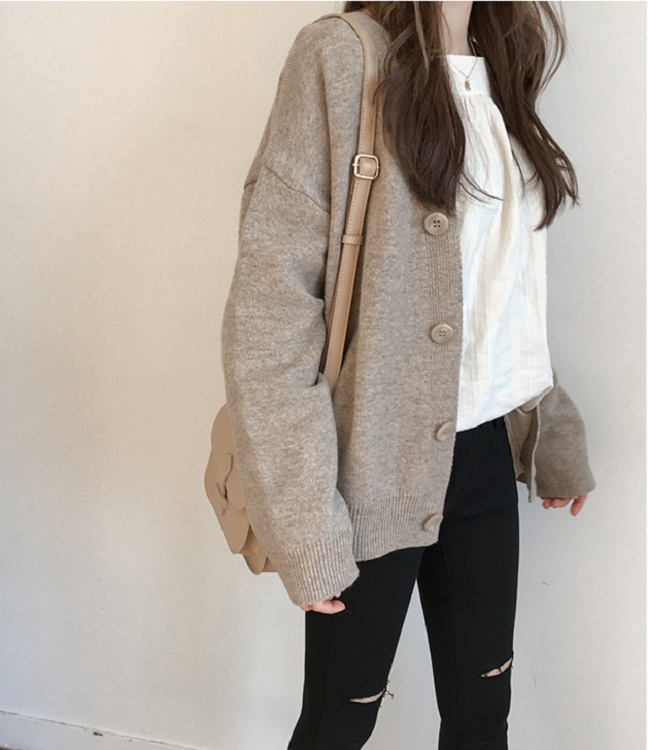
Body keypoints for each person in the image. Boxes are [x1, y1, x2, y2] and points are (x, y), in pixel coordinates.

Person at [220, 1, 596, 748]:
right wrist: (303, 521)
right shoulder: (341, 56)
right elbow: (270, 312)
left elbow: (503, 285)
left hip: (483, 455)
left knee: (483, 714)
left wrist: (550, 433)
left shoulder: (501, 71)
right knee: (339, 722)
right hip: (370, 466)